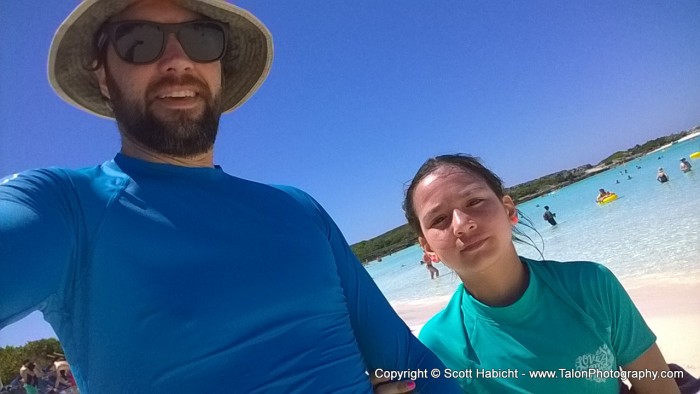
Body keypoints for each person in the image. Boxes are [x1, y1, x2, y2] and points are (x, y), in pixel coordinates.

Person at [0, 1, 460, 393]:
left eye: (201, 38)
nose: (177, 60)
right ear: (102, 76)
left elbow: (405, 360)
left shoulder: (298, 209)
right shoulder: (67, 209)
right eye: (138, 41)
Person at [399, 154, 679, 393]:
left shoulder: (591, 284)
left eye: (474, 201)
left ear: (509, 210)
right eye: (439, 219)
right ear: (428, 249)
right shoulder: (438, 344)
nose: (461, 224)